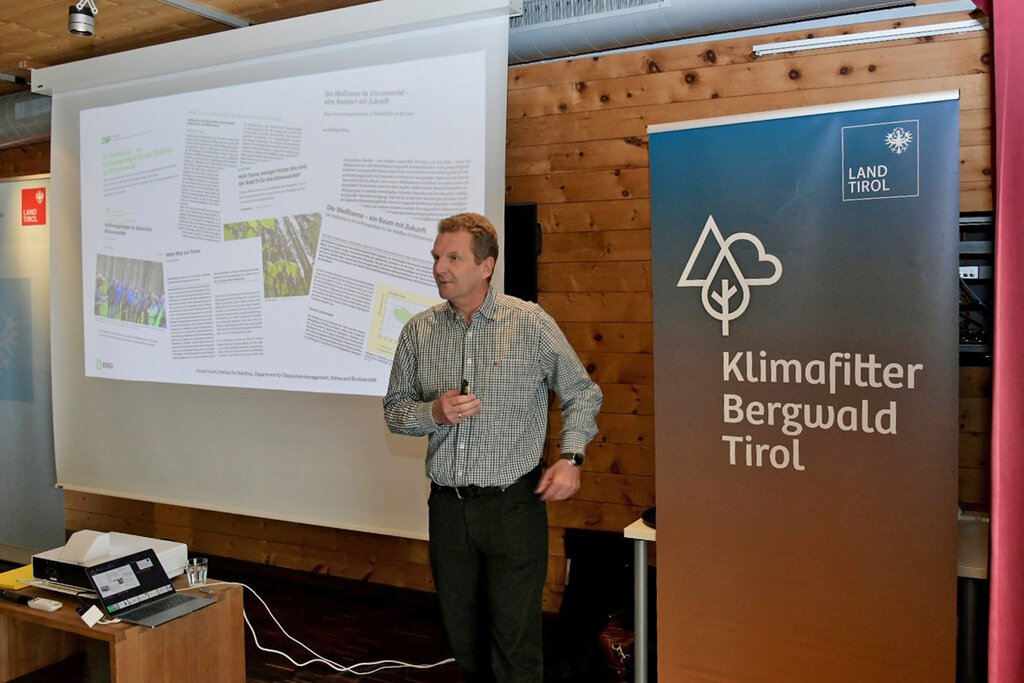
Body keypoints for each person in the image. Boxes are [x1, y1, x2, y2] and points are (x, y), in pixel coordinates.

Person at [383, 212, 602, 683]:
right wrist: (433, 413)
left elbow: (582, 392)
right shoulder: (417, 331)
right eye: (437, 256)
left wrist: (572, 456)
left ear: (486, 266)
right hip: (448, 509)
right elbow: (395, 411)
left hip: (512, 508)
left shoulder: (529, 323)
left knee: (515, 643)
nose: (440, 266)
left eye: (453, 257)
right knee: (464, 640)